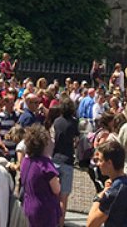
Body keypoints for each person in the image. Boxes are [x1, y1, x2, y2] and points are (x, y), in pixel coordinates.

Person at [87, 138, 127, 227]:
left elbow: (91, 224)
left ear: (109, 163)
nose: (98, 164)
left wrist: (100, 196)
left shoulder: (114, 191)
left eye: (100, 160)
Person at [21, 125, 63, 227]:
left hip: (27, 206)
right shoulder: (45, 164)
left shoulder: (25, 162)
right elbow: (56, 189)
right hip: (44, 209)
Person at [51, 96, 80, 226]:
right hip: (68, 160)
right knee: (64, 197)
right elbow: (77, 140)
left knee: (53, 195)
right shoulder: (74, 123)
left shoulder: (56, 121)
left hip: (55, 158)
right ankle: (60, 224)